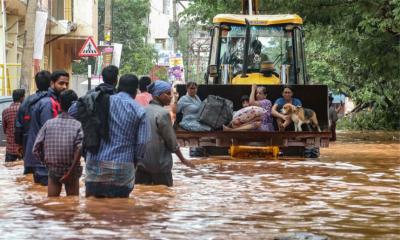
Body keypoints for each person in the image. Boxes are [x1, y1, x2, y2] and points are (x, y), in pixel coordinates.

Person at [85, 74, 150, 198]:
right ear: (136, 90)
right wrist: (135, 161)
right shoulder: (139, 110)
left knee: (93, 210)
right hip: (123, 167)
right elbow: (142, 142)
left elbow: (74, 111)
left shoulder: (102, 101)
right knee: (121, 211)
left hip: (95, 165)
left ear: (118, 87)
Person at [136, 80, 195, 187]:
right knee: (165, 197)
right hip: (160, 167)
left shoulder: (142, 110)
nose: (171, 97)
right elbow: (172, 143)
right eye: (168, 94)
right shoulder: (163, 114)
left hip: (141, 167)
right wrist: (183, 160)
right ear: (158, 95)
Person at [33, 90, 83, 197]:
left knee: (52, 204)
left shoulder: (48, 123)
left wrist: (46, 163)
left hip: (54, 169)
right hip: (72, 170)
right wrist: (70, 171)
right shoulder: (78, 125)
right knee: (72, 206)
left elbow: (36, 148)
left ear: (59, 104)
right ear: (74, 105)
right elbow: (80, 148)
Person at [25, 70, 69, 185]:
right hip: (43, 160)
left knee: (44, 198)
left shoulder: (51, 100)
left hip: (42, 159)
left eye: (66, 84)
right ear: (52, 83)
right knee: (49, 194)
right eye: (61, 83)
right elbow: (49, 132)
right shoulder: (48, 103)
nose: (64, 87)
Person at [69, 65, 118, 154]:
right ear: (116, 79)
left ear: (103, 78)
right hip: (113, 149)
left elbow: (72, 112)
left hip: (92, 147)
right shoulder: (118, 98)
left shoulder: (90, 94)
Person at [15, 71, 51, 174]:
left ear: (36, 83)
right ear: (51, 83)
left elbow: (18, 125)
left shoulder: (26, 101)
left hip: (28, 148)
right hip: (46, 150)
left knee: (29, 178)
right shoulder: (51, 101)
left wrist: (19, 144)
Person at [2, 89, 25, 162]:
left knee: (8, 169)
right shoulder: (25, 110)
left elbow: (5, 130)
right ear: (22, 98)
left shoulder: (5, 111)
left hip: (10, 150)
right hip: (22, 148)